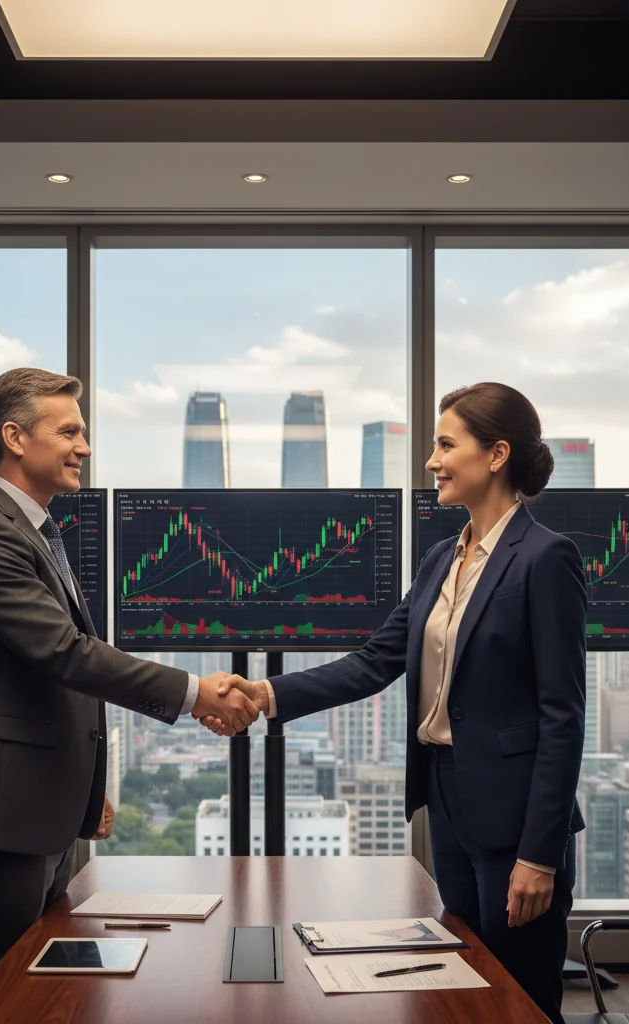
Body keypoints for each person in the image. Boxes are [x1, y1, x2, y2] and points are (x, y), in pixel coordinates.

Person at [207, 382, 586, 1024]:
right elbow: (375, 661)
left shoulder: (546, 559)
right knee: (461, 980)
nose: (433, 462)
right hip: (447, 796)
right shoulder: (442, 557)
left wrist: (538, 854)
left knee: (519, 999)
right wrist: (268, 694)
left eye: (445, 445)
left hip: (516, 813)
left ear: (496, 455)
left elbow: (563, 717)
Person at [0, 367, 259, 1013]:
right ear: (15, 437)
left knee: (38, 986)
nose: (85, 446)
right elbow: (65, 655)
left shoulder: (34, 530)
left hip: (31, 805)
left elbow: (50, 683)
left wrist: (83, 784)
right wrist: (196, 694)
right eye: (70, 431)